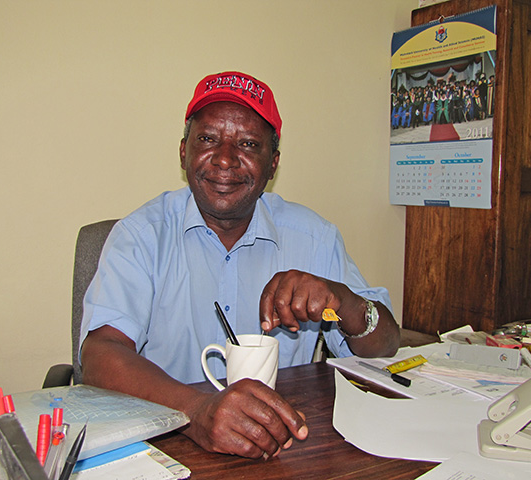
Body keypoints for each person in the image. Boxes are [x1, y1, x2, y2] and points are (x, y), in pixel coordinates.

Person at [79, 71, 400, 460]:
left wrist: (345, 302)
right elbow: (99, 355)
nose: (226, 158)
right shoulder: (142, 235)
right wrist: (196, 411)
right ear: (184, 151)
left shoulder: (313, 237)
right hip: (168, 447)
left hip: (284, 446)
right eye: (208, 139)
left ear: (273, 164)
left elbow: (384, 348)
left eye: (248, 144)